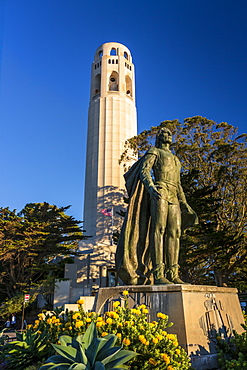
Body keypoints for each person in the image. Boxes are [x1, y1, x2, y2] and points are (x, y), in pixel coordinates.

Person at [116, 127, 198, 285]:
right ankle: (158, 273)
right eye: (165, 133)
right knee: (158, 230)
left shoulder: (175, 159)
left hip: (174, 194)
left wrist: (185, 203)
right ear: (159, 137)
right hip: (160, 192)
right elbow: (144, 171)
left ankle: (173, 273)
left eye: (170, 133)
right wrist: (151, 188)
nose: (169, 136)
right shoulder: (155, 151)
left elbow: (179, 184)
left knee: (175, 232)